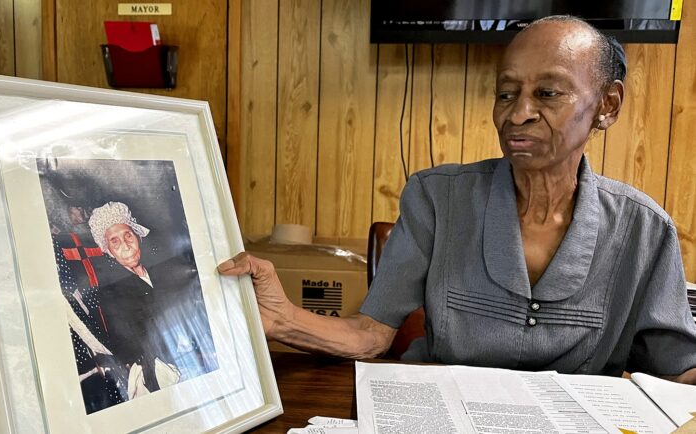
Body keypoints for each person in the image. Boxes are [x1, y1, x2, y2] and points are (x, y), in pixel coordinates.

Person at [218, 16, 696, 384]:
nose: (519, 113)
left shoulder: (645, 230)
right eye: (506, 94)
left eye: (547, 93)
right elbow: (371, 334)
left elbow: (677, 371)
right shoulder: (436, 198)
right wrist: (282, 319)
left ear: (607, 105)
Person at [88, 201, 218, 397]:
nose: (125, 245)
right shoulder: (111, 293)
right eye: (115, 241)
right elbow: (132, 344)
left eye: (128, 235)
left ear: (138, 237)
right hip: (156, 369)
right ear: (109, 252)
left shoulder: (161, 272)